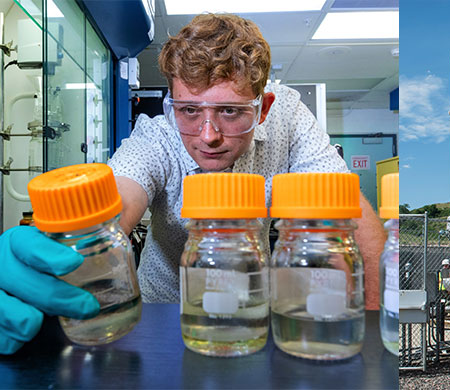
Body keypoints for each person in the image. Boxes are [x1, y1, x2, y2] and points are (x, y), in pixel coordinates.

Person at [0, 14, 386, 354]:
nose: (208, 135)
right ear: (173, 104)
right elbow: (119, 197)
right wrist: (69, 240)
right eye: (188, 111)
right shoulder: (157, 136)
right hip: (159, 315)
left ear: (262, 107)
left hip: (251, 314)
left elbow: (349, 209)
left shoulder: (287, 114)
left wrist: (370, 336)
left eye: (231, 111)